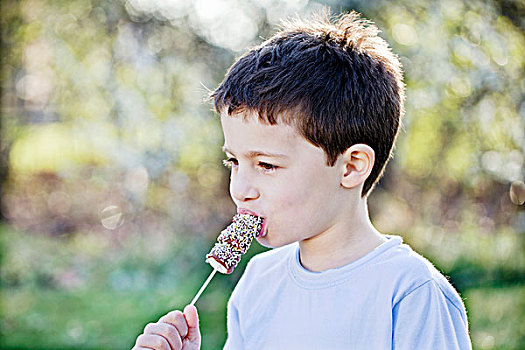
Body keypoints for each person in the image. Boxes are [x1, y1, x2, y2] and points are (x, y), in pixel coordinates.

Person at [132, 10, 472, 350]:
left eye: (266, 165)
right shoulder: (257, 284)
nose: (240, 190)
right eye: (233, 161)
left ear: (351, 167)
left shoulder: (410, 293)